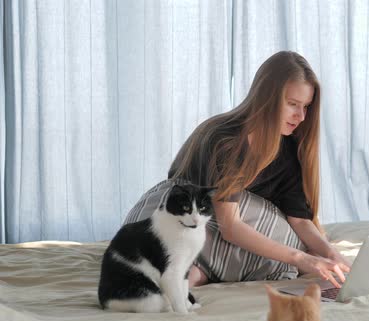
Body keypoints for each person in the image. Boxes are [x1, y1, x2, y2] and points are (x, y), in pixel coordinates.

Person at [124, 51, 350, 289]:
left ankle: (197, 273)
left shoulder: (288, 150)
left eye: (306, 106)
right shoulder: (225, 139)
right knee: (287, 246)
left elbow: (301, 221)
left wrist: (331, 255)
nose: (301, 116)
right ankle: (188, 273)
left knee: (293, 240)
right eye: (292, 104)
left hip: (219, 237)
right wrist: (301, 258)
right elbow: (230, 226)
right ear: (267, 97)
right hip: (180, 218)